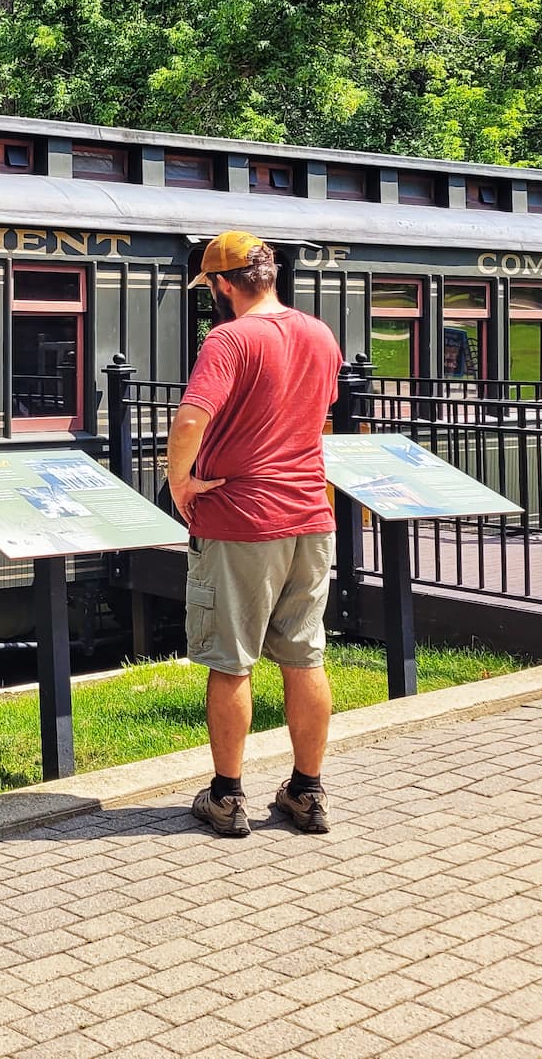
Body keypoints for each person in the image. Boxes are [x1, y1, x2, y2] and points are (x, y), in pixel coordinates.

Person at [166, 231, 342, 838]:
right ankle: (307, 791)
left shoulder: (229, 338)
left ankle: (226, 797)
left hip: (241, 519)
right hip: (310, 516)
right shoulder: (319, 334)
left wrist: (181, 482)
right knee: (305, 657)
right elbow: (315, 415)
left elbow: (191, 418)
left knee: (231, 660)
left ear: (221, 285)